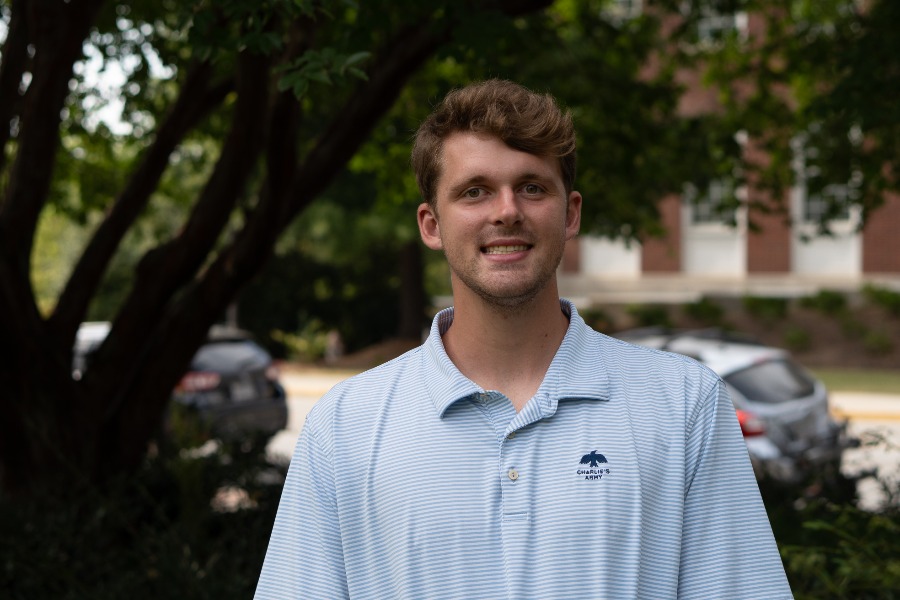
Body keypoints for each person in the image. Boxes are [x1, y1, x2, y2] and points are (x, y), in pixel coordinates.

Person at [255, 79, 793, 599]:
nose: (507, 210)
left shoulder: (682, 404)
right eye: (475, 191)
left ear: (570, 212)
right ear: (431, 224)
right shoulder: (346, 424)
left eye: (532, 187)